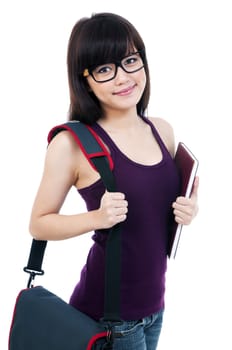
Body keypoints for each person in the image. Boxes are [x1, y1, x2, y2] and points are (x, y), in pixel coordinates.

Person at [29, 12, 199, 350]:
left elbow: (153, 214)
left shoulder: (161, 130)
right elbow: (38, 224)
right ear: (85, 79)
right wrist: (97, 218)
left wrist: (188, 211)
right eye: (105, 69)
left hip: (156, 307)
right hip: (110, 319)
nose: (123, 78)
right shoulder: (72, 144)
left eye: (130, 61)